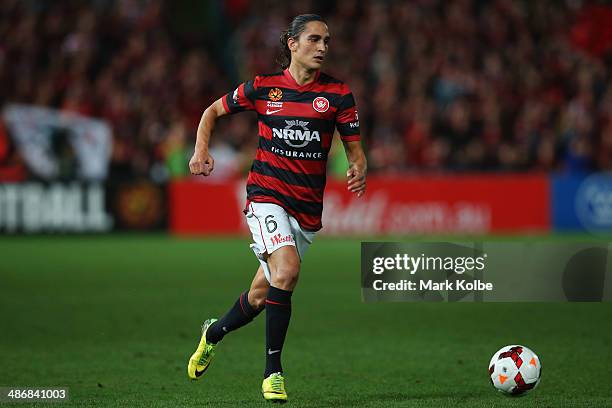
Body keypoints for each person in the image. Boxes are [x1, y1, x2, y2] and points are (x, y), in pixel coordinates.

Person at [186, 14, 366, 403]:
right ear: (292, 44)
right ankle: (273, 372)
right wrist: (201, 149)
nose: (323, 47)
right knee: (288, 270)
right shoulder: (263, 88)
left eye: (327, 41)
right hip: (265, 196)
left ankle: (212, 334)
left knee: (259, 295)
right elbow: (210, 112)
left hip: (306, 211)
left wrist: (358, 168)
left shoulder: (337, 94)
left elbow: (355, 150)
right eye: (315, 39)